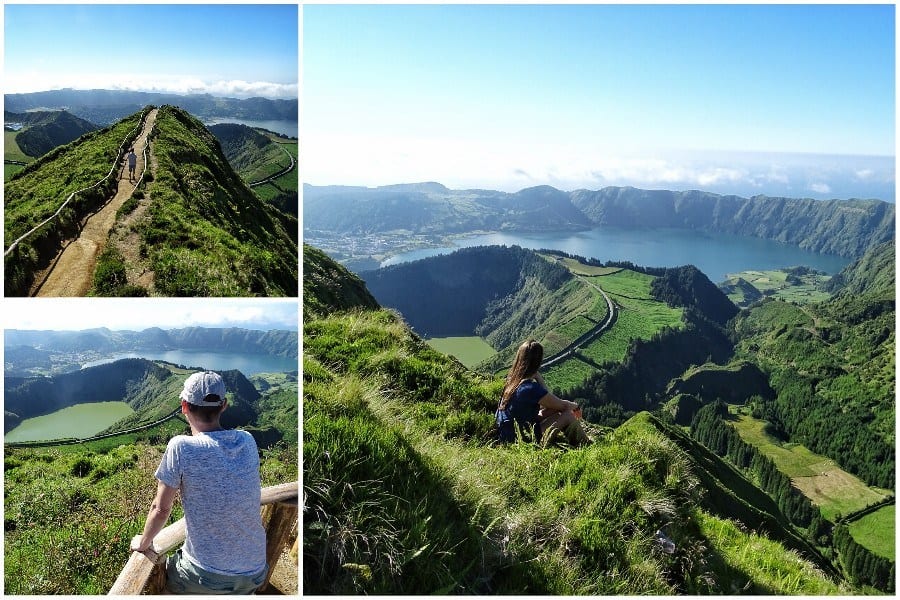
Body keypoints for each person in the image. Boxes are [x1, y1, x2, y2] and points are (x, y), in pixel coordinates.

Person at [130, 371, 268, 594]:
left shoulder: (181, 447)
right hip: (255, 570)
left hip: (207, 574)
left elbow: (161, 508)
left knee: (166, 590)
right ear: (224, 405)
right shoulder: (247, 440)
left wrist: (143, 543)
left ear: (184, 406)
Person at [500, 339, 591, 446]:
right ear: (538, 362)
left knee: (554, 410)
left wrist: (538, 377)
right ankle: (586, 445)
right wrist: (576, 406)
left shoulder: (512, 381)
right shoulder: (530, 388)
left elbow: (551, 401)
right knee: (568, 415)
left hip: (507, 433)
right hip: (521, 439)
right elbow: (563, 405)